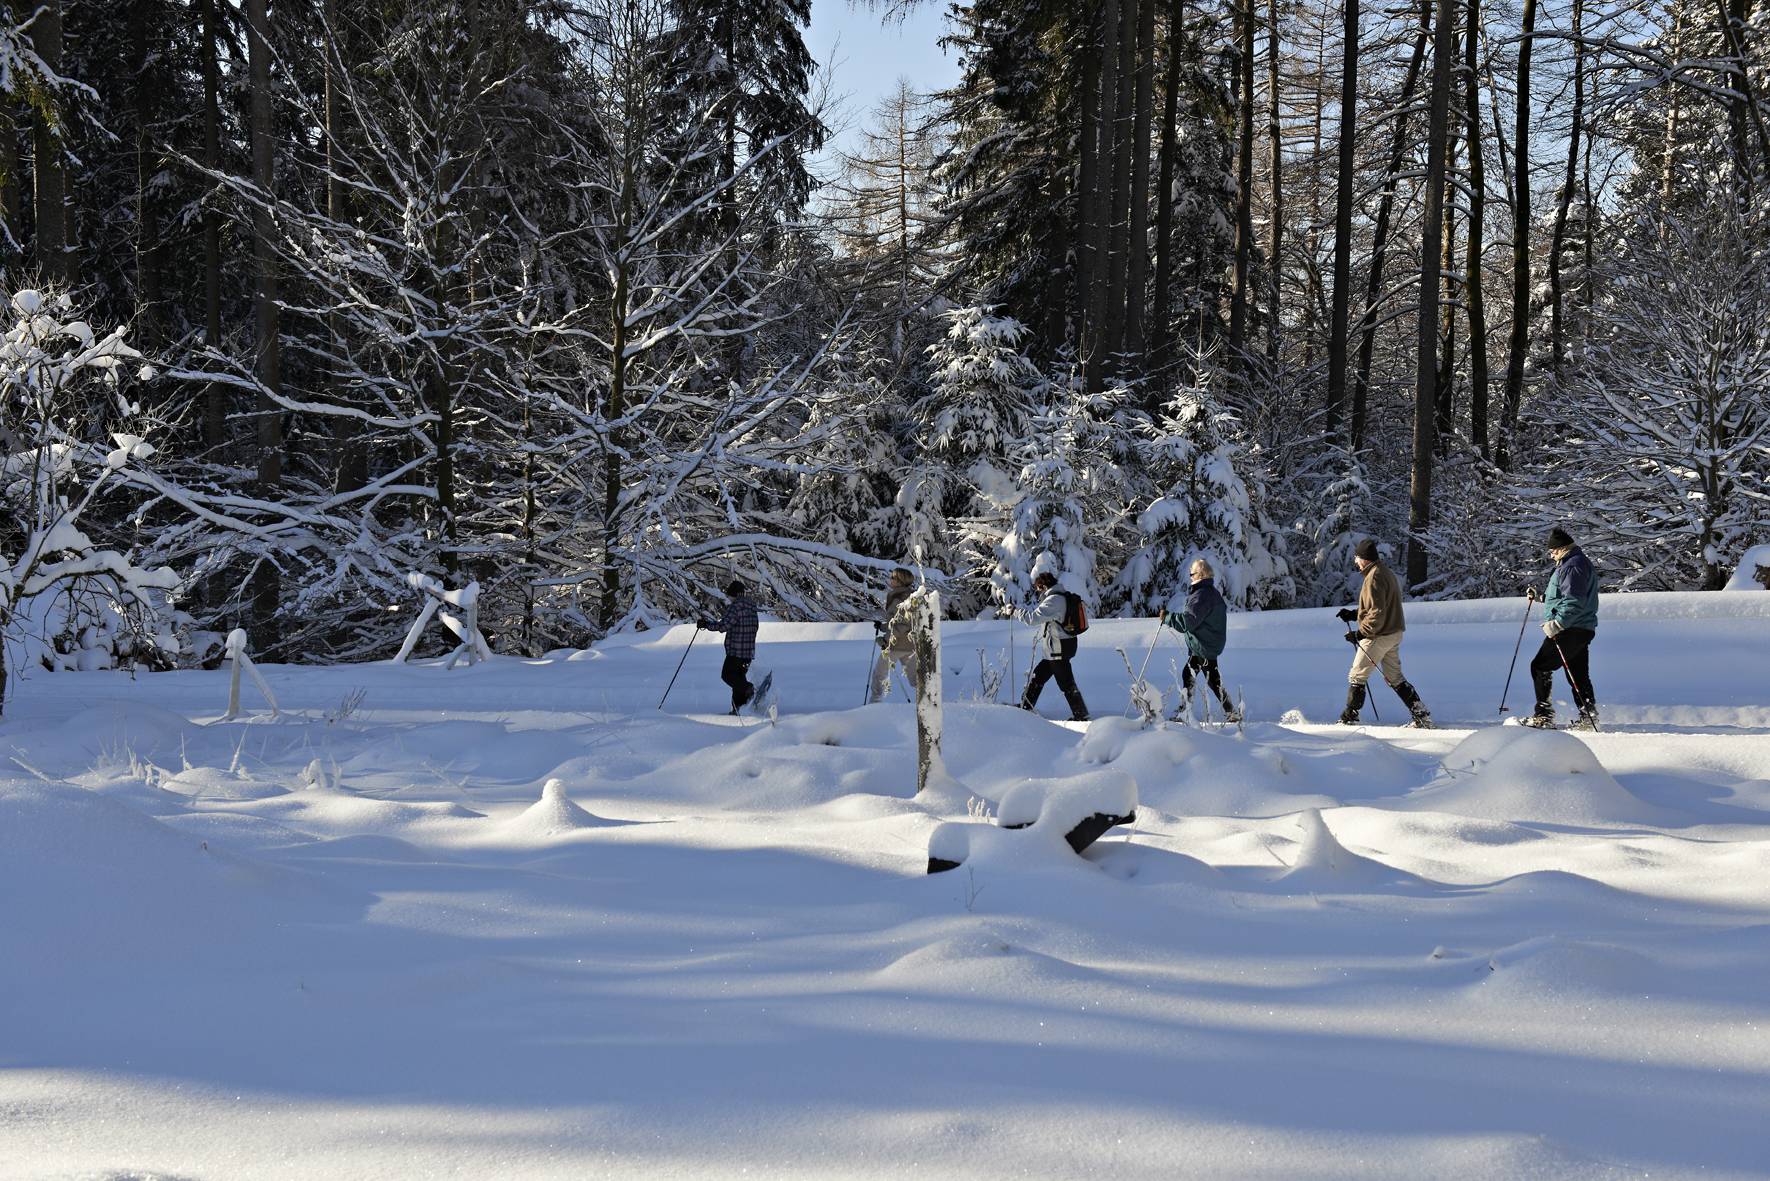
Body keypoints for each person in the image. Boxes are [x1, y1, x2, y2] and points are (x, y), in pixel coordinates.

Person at [1335, 539, 1432, 727]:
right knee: (1395, 677)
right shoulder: (1385, 572)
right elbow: (1380, 607)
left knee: (1357, 675)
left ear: (1364, 558)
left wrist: (1360, 634)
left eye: (1357, 557)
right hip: (1392, 633)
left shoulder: (1374, 577)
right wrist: (1355, 614)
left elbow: (1377, 612)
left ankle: (1349, 717)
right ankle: (1421, 713)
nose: (1355, 561)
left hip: (1378, 635)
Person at [1523, 527, 1599, 730]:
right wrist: (1540, 598)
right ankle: (1588, 717)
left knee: (1540, 666)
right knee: (1577, 673)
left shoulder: (1572, 565)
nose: (1551, 554)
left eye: (1553, 551)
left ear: (1562, 548)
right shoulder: (1574, 563)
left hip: (1569, 629)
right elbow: (1563, 596)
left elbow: (1574, 600)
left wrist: (1557, 624)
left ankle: (1543, 716)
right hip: (1581, 627)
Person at [1162, 557, 1239, 722]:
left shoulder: (1201, 596)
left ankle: (1185, 712)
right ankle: (1230, 712)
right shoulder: (1211, 593)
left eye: (1192, 573)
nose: (1190, 576)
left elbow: (1188, 622)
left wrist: (1168, 618)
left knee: (1193, 675)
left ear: (1200, 574)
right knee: (1210, 678)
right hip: (1208, 643)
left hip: (1204, 645)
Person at [1014, 571, 1090, 722]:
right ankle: (1025, 706)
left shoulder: (1054, 600)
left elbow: (1033, 619)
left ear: (1043, 586)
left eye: (1037, 588)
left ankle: (1081, 715)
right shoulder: (1061, 597)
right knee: (1037, 677)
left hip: (1057, 649)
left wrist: (1015, 611)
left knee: (1066, 683)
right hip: (1057, 648)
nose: (1037, 591)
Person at [700, 578, 759, 715]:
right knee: (738, 679)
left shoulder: (736, 606)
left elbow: (724, 625)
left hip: (735, 651)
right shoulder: (752, 607)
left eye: (729, 595)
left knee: (727, 675)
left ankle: (748, 688)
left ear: (735, 594)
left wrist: (706, 625)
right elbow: (755, 627)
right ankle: (739, 709)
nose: (729, 598)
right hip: (748, 652)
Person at [869, 567, 918, 703]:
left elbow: (901, 626)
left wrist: (885, 640)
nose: (890, 579)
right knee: (915, 679)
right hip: (910, 645)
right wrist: (883, 626)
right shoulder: (908, 597)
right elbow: (899, 622)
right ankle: (927, 703)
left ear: (900, 581)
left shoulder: (900, 599)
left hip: (895, 645)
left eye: (893, 577)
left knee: (879, 675)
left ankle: (874, 704)